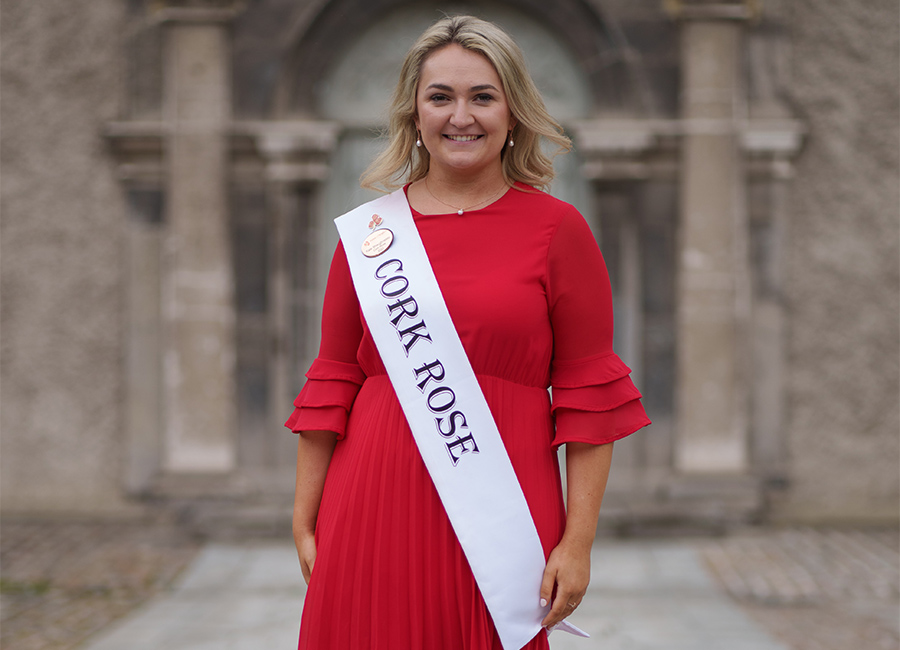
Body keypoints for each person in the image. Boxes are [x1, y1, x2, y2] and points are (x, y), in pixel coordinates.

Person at [286, 14, 650, 650]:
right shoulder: (371, 238)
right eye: (441, 97)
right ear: (414, 114)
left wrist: (578, 540)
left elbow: (590, 395)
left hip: (502, 504)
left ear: (513, 113)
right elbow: (334, 379)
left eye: (483, 96)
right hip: (369, 500)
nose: (462, 116)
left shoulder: (558, 230)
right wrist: (303, 515)